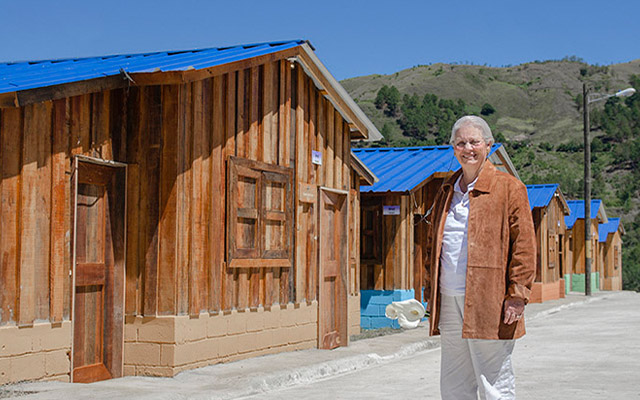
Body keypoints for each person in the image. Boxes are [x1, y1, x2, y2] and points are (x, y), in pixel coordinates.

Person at [424, 115, 536, 399]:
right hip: (448, 300)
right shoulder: (447, 190)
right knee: (453, 382)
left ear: (489, 145)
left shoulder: (509, 188)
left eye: (474, 141)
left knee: (493, 381)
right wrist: (429, 292)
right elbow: (433, 247)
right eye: (460, 143)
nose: (467, 148)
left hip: (490, 300)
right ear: (453, 149)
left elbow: (524, 245)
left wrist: (517, 294)